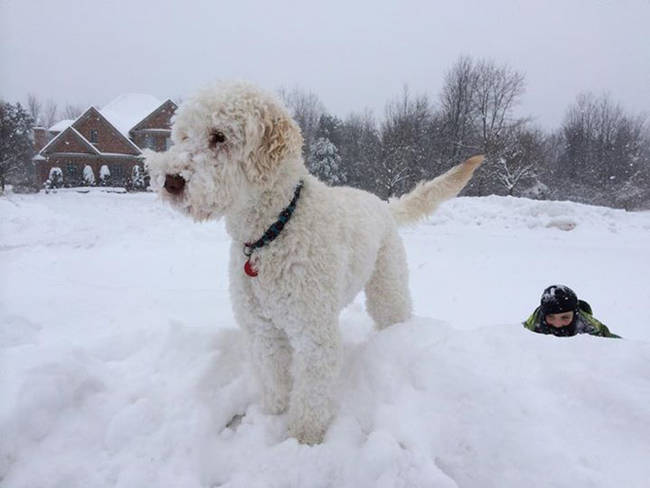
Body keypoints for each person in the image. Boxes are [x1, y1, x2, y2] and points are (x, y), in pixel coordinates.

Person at [523, 285, 620, 338]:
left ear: (576, 315)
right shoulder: (528, 330)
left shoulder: (593, 330)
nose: (557, 324)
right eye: (551, 317)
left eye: (565, 317)